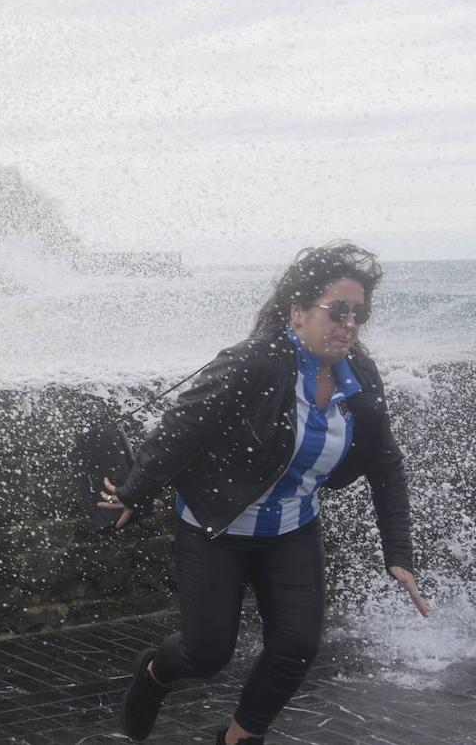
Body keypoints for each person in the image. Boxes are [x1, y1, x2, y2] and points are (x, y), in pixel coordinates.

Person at [98, 242, 429, 745]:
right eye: (338, 310)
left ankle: (237, 738)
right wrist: (133, 493)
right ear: (297, 311)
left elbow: (385, 464)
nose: (350, 323)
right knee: (206, 654)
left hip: (292, 527)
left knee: (296, 646)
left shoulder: (359, 377)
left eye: (359, 313)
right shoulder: (254, 362)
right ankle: (153, 675)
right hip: (216, 525)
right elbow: (179, 429)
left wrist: (398, 553)